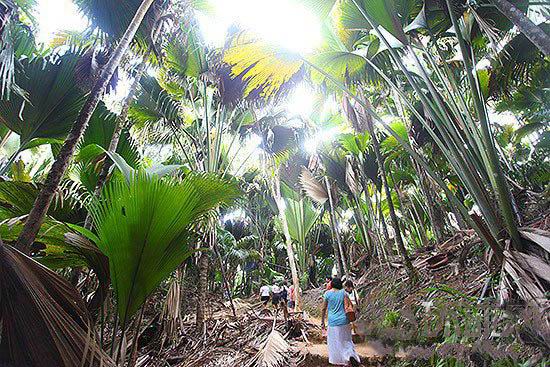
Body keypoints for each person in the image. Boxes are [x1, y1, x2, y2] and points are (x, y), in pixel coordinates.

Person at [321, 277, 360, 366]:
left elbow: (323, 309)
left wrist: (322, 321)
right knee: (347, 340)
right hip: (345, 322)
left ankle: (340, 361)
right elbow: (350, 306)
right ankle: (349, 355)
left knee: (335, 342)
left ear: (331, 284)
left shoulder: (327, 294)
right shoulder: (344, 293)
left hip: (333, 322)